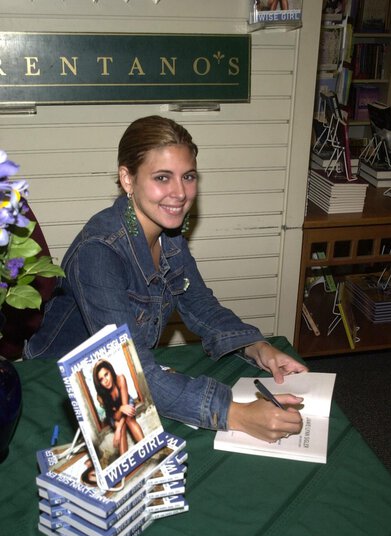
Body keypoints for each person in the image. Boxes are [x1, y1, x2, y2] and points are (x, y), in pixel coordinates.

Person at [24, 115, 307, 443]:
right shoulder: (98, 253)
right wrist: (237, 415)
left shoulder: (168, 234)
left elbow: (200, 304)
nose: (180, 193)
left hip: (119, 380)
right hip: (53, 393)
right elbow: (126, 372)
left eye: (188, 176)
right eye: (162, 177)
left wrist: (257, 347)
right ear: (127, 179)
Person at [92, 359, 144, 455]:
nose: (106, 381)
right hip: (114, 414)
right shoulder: (100, 397)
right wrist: (120, 411)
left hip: (127, 403)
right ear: (99, 383)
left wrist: (118, 430)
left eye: (106, 374)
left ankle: (147, 447)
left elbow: (125, 406)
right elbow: (115, 416)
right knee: (121, 426)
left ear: (110, 371)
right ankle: (124, 461)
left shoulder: (120, 379)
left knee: (128, 419)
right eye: (101, 379)